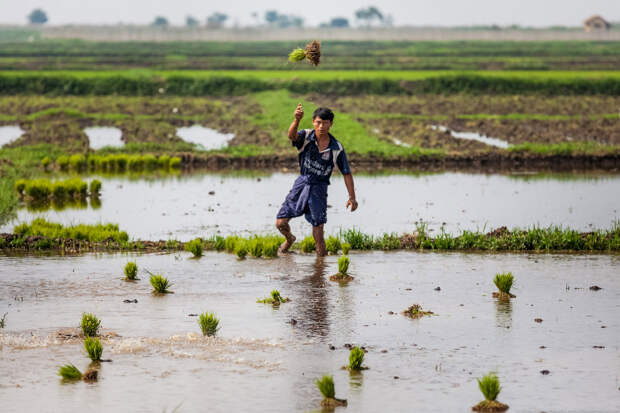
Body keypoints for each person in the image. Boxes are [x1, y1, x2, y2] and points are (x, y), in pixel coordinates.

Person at [276, 103, 358, 256]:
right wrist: (296, 120)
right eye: (318, 122)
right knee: (280, 222)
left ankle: (321, 266)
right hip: (302, 183)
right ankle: (289, 239)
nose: (321, 126)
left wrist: (352, 198)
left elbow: (346, 172)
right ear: (313, 121)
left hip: (319, 188)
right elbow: (291, 136)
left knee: (318, 230)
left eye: (325, 123)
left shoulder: (336, 148)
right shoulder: (306, 136)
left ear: (331, 124)